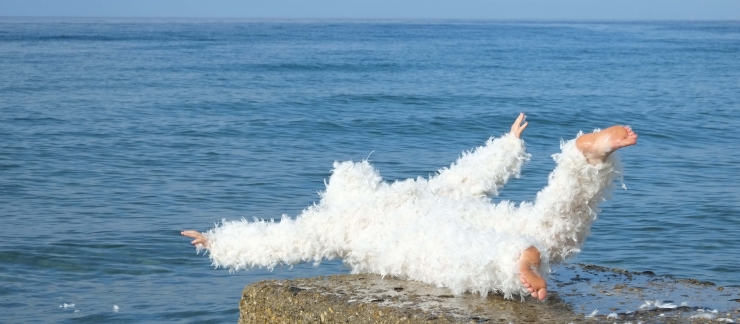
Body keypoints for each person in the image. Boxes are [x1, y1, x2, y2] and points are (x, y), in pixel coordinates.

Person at [183, 113, 637, 301]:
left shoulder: (339, 223)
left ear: (334, 195)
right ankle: (583, 160)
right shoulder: (414, 190)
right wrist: (506, 146)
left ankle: (514, 258)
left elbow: (282, 239)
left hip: (413, 239)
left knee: (460, 255)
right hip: (451, 208)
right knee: (550, 228)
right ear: (372, 182)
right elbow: (467, 176)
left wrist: (218, 241)